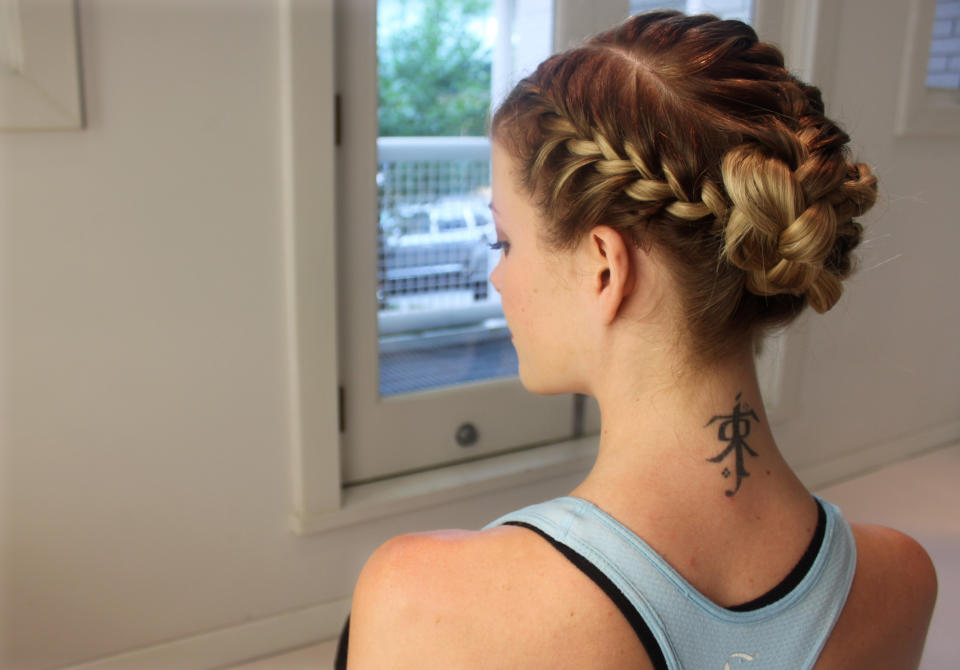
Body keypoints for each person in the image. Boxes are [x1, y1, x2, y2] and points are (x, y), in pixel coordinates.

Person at [341, 11, 937, 669]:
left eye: (503, 241)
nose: (497, 277)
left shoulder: (421, 605)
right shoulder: (902, 583)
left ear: (605, 266)